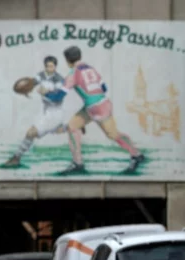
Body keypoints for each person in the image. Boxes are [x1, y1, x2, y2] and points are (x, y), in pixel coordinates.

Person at [56, 46, 146, 176]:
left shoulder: (73, 73)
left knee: (113, 134)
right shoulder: (90, 68)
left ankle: (137, 155)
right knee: (72, 126)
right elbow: (104, 87)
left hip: (96, 108)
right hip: (98, 105)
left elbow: (59, 95)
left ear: (67, 60)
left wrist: (46, 93)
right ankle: (78, 163)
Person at [5, 55, 82, 168]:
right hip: (45, 111)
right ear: (45, 66)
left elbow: (58, 97)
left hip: (55, 112)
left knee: (30, 133)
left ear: (55, 66)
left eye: (52, 66)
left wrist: (45, 93)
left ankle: (16, 158)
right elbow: (33, 82)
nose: (50, 68)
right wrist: (26, 86)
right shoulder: (41, 75)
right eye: (48, 66)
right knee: (55, 130)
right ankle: (71, 126)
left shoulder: (59, 79)